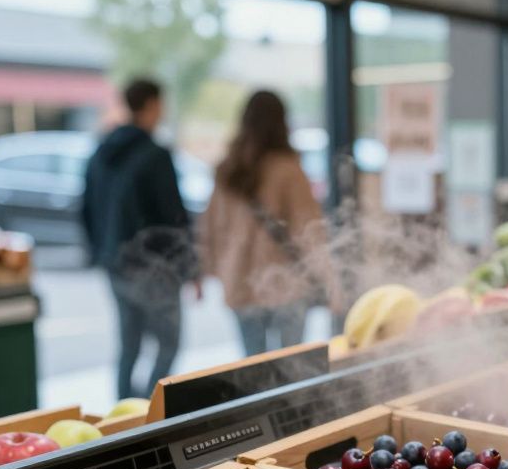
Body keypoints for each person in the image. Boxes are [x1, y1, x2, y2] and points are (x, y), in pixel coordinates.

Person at [81, 78, 195, 400]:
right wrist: (189, 268)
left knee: (129, 344)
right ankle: (148, 413)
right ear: (152, 105)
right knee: (169, 342)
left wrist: (100, 253)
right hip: (153, 268)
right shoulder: (155, 155)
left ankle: (123, 414)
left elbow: (85, 208)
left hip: (114, 265)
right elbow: (173, 216)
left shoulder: (101, 152)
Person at [197, 90, 327, 356]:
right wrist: (331, 283)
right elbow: (310, 231)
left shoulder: (227, 170)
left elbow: (209, 227)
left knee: (254, 370)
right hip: (286, 284)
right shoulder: (288, 169)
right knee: (291, 369)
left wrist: (207, 271)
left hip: (240, 282)